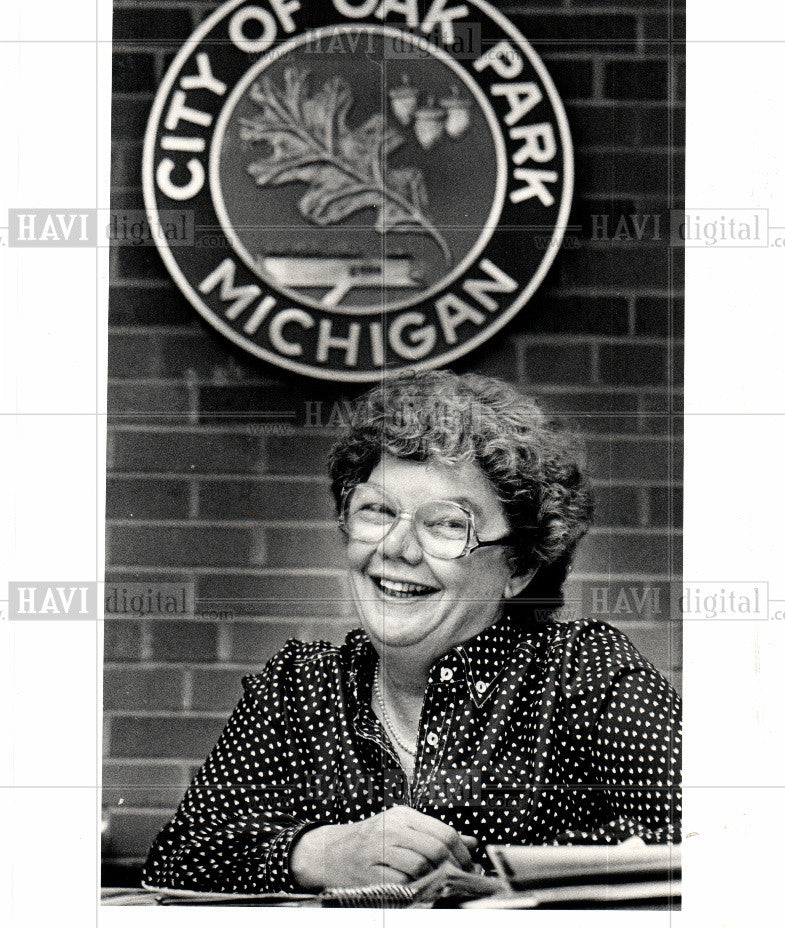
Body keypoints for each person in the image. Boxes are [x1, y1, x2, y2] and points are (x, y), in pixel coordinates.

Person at [141, 370, 681, 893]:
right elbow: (179, 856)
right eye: (377, 511)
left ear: (520, 567)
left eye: (447, 523)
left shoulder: (582, 673)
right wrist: (319, 853)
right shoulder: (299, 687)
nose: (397, 549)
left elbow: (724, 836)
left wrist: (487, 879)